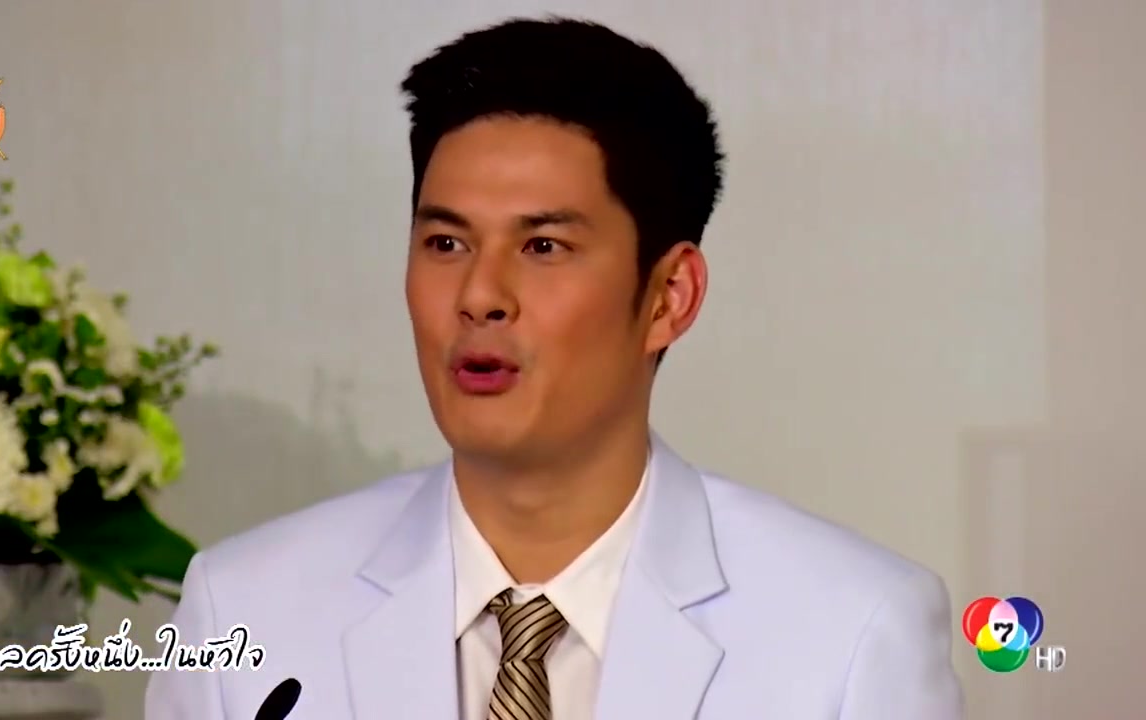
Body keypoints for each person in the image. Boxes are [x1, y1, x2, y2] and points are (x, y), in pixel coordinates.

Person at [145, 15, 963, 720]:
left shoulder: (850, 633)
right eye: (446, 243)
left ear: (669, 296)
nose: (479, 296)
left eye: (542, 246)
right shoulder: (243, 611)